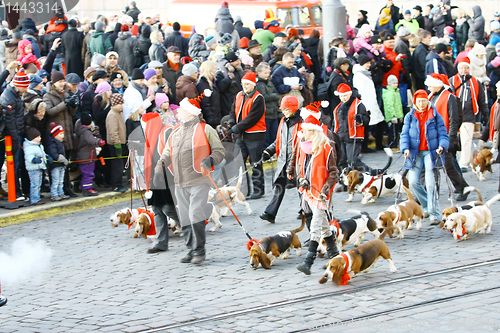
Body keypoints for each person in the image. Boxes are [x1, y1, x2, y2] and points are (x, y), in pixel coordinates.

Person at [153, 93, 225, 264]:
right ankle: (191, 248)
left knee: (195, 214)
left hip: (199, 180)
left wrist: (210, 160)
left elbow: (219, 151)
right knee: (184, 216)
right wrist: (158, 171)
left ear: (191, 113)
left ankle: (200, 250)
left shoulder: (206, 129)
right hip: (179, 182)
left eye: (181, 110)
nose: (177, 113)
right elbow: (166, 155)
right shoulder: (175, 132)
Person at [289, 115, 338, 275]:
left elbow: (333, 173)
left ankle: (308, 262)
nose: (303, 133)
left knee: (316, 228)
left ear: (314, 132)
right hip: (309, 192)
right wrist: (301, 179)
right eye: (303, 130)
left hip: (321, 194)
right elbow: (299, 168)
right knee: (325, 229)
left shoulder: (327, 148)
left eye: (307, 130)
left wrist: (325, 189)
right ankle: (337, 257)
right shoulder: (303, 147)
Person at [400, 90, 449, 226]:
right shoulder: (409, 116)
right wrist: (405, 149)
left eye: (424, 101)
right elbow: (404, 135)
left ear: (428, 101)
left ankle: (435, 214)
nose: (422, 104)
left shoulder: (435, 115)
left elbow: (443, 134)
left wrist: (442, 146)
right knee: (413, 181)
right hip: (415, 153)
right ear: (415, 102)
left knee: (430, 182)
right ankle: (427, 206)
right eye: (419, 101)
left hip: (430, 152)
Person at [426, 73, 470, 202]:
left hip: (443, 137)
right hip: (433, 136)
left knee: (448, 166)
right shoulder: (431, 96)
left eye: (430, 85)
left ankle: (462, 188)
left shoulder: (450, 97)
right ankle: (433, 190)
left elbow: (454, 120)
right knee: (435, 166)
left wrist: (450, 139)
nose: (428, 87)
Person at [260, 96, 302, 224]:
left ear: (293, 109)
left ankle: (305, 209)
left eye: (286, 109)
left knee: (301, 187)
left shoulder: (302, 123)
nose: (283, 111)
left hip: (297, 161)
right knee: (279, 186)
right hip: (284, 160)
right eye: (283, 109)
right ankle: (270, 213)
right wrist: (269, 151)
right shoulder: (283, 121)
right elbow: (279, 140)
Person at [227, 72, 266, 199]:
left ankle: (258, 190)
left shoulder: (258, 98)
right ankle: (244, 190)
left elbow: (252, 118)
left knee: (255, 163)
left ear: (253, 84)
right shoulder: (239, 95)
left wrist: (236, 128)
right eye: (243, 84)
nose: (245, 86)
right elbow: (233, 110)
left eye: (248, 84)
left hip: (255, 135)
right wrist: (232, 122)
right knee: (239, 163)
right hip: (241, 135)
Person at [449, 58, 488, 172]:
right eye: (461, 68)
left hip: (469, 114)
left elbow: (481, 99)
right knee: (458, 139)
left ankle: (464, 163)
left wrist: (485, 113)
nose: (464, 70)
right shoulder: (452, 81)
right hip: (455, 114)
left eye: (466, 68)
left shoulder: (475, 82)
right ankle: (464, 159)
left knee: (466, 139)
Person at [1, 68, 30, 200]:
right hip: (13, 135)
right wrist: (14, 139)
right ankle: (15, 192)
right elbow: (9, 121)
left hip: (18, 132)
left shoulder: (14, 95)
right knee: (14, 164)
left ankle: (18, 191)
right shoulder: (8, 97)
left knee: (18, 164)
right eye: (25, 87)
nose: (26, 89)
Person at [332, 83, 369, 171]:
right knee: (341, 161)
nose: (343, 98)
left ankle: (367, 174)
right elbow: (335, 123)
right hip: (340, 137)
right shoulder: (338, 108)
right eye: (341, 96)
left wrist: (360, 119)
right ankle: (345, 180)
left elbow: (366, 120)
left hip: (353, 137)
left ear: (350, 94)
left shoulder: (358, 105)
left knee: (353, 160)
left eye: (345, 96)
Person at [75, 112, 105, 196]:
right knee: (88, 173)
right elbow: (91, 139)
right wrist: (99, 142)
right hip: (87, 157)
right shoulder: (86, 132)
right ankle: (87, 189)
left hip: (86, 155)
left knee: (87, 173)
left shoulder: (81, 130)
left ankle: (86, 187)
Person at [106, 93, 128, 193]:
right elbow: (113, 131)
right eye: (119, 103)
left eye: (122, 103)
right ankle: (116, 184)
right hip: (115, 144)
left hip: (121, 142)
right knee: (116, 166)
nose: (121, 105)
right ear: (114, 104)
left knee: (120, 165)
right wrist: (117, 143)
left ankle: (119, 183)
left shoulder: (120, 113)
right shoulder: (112, 115)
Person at [256, 62, 281, 150]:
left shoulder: (269, 83)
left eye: (268, 73)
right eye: (265, 73)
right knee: (266, 137)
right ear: (259, 73)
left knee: (274, 135)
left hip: (273, 112)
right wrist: (274, 96)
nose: (268, 75)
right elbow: (264, 97)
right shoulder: (259, 84)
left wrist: (274, 96)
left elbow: (276, 93)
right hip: (265, 114)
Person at [24, 127, 48, 205]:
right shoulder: (29, 147)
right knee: (35, 184)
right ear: (32, 138)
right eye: (37, 137)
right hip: (33, 169)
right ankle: (35, 199)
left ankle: (36, 196)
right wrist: (33, 159)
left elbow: (43, 154)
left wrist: (47, 157)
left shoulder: (39, 146)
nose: (40, 138)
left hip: (39, 167)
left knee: (38, 183)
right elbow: (28, 156)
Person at [46, 122, 68, 201]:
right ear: (55, 135)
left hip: (61, 165)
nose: (63, 136)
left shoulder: (60, 143)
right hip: (55, 165)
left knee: (61, 180)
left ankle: (61, 193)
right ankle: (54, 194)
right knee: (56, 180)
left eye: (63, 134)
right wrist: (64, 160)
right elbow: (55, 155)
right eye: (60, 134)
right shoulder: (52, 144)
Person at [196, 60, 220, 128]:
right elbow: (205, 104)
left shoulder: (212, 82)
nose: (216, 70)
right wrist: (211, 119)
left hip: (215, 117)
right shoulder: (202, 84)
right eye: (214, 68)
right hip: (210, 120)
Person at [383, 75, 404, 150]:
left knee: (396, 131)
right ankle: (392, 145)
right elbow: (389, 106)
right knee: (393, 132)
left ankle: (395, 145)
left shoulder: (396, 92)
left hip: (397, 115)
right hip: (392, 117)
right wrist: (393, 115)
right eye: (394, 83)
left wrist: (400, 115)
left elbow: (398, 105)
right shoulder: (390, 93)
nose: (396, 84)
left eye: (396, 83)